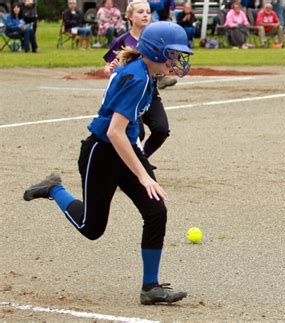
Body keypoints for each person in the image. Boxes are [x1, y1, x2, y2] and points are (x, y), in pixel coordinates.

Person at [23, 21, 193, 304]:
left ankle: (150, 288)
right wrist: (143, 175)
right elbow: (114, 131)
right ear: (156, 51)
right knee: (92, 228)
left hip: (124, 149)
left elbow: (126, 133)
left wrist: (140, 164)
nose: (177, 59)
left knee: (155, 210)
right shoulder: (139, 78)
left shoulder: (146, 73)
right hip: (101, 153)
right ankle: (54, 189)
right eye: (173, 53)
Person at [104, 0, 174, 161]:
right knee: (138, 133)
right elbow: (107, 68)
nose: (145, 15)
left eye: (148, 12)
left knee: (161, 130)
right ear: (130, 16)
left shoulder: (157, 39)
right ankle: (130, 164)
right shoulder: (122, 41)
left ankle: (141, 158)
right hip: (131, 91)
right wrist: (111, 69)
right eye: (140, 12)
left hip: (150, 90)